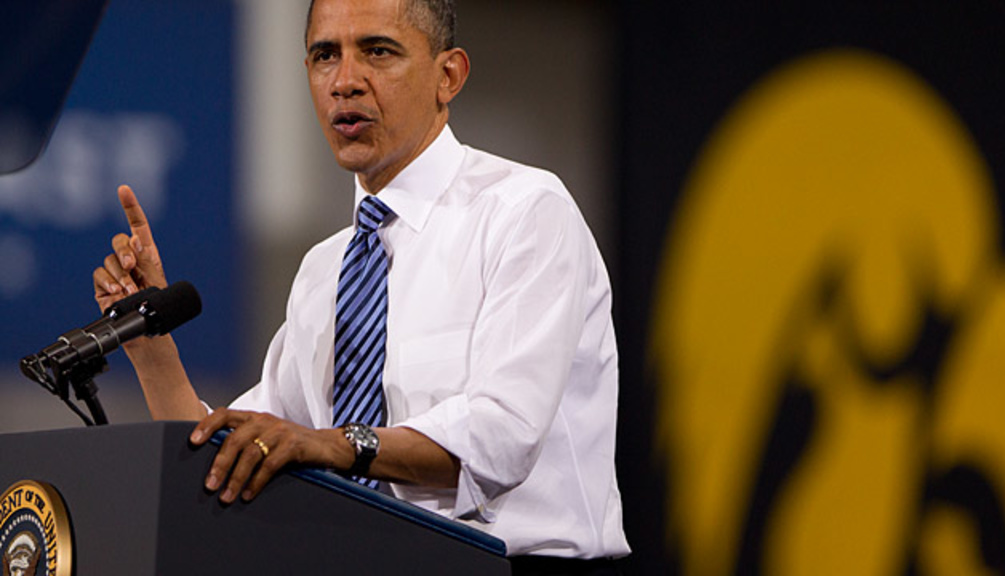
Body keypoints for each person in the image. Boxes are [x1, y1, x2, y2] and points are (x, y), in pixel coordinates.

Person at [92, 0, 629, 572]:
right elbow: (235, 456)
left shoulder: (524, 212)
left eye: (377, 51)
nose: (346, 82)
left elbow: (503, 436)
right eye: (326, 56)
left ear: (448, 75)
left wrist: (336, 444)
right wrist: (151, 349)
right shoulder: (325, 270)